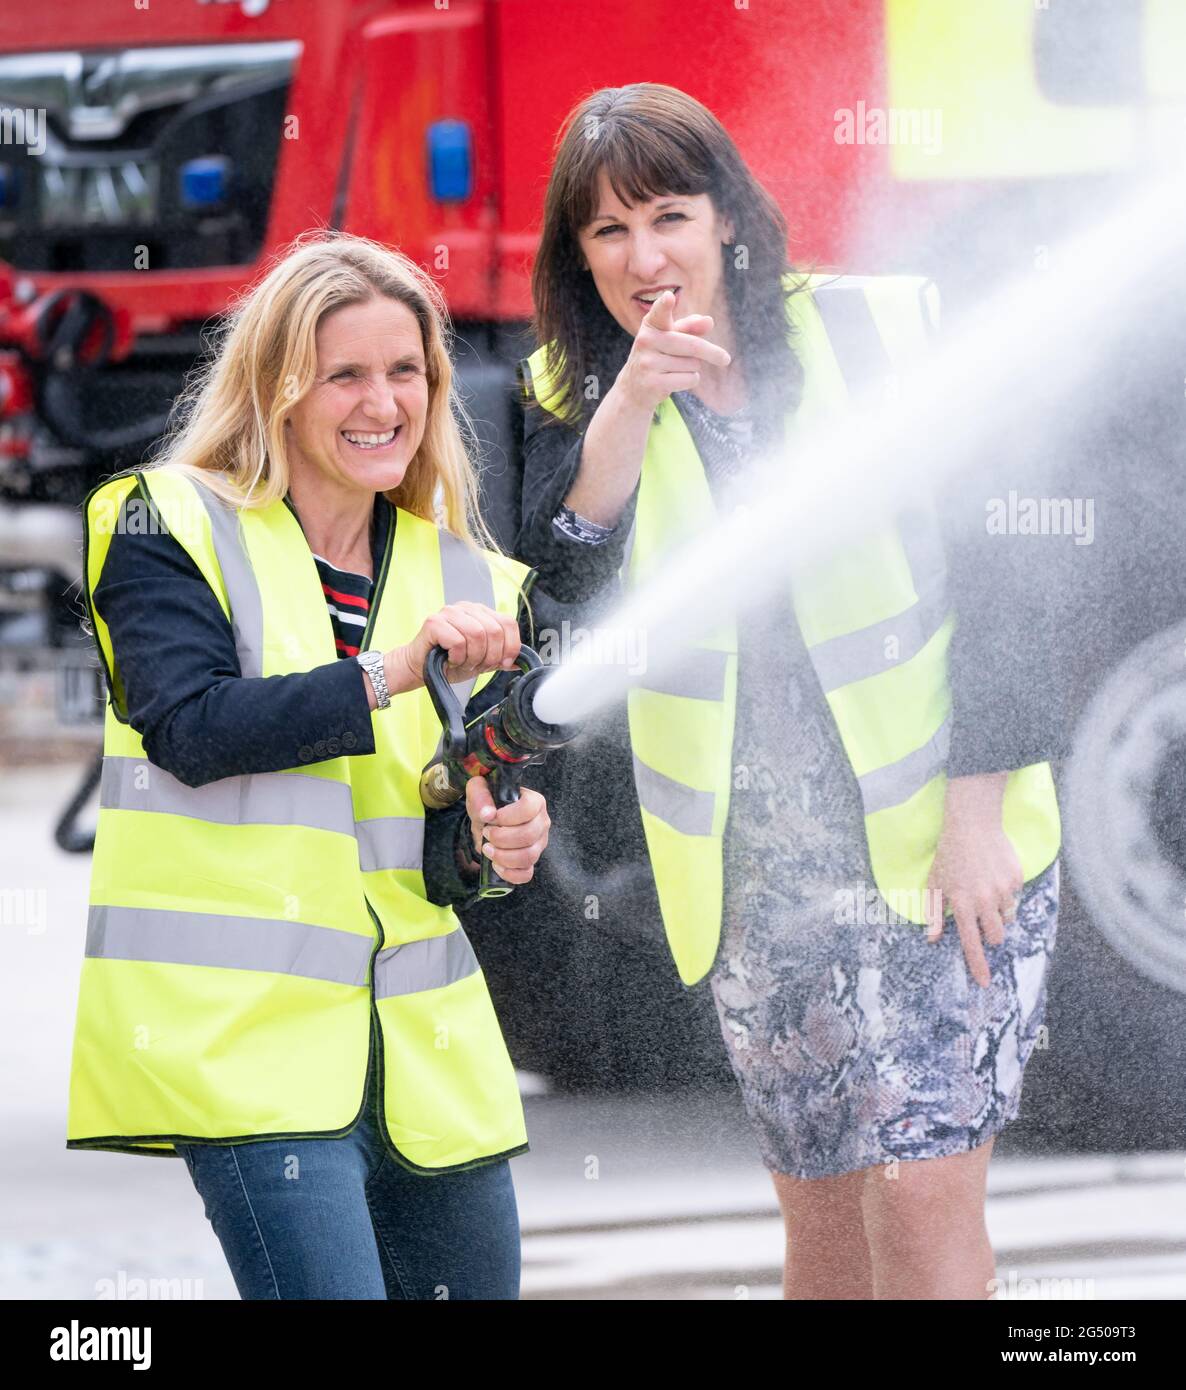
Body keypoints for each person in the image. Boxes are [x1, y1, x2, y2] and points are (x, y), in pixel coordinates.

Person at [515, 83, 1062, 1300]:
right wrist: (633, 402)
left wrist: (976, 813)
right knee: (819, 1223)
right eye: (606, 232)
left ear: (728, 219)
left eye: (667, 214)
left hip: (936, 850)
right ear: (576, 254)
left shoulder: (880, 332)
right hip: (758, 879)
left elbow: (1016, 570)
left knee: (919, 1195)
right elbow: (559, 588)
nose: (643, 256)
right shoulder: (572, 398)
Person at [66, 232, 552, 1301]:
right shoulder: (164, 521)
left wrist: (497, 839)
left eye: (405, 372)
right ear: (277, 389)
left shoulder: (463, 569)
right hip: (249, 1058)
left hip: (425, 1060)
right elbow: (191, 729)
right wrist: (388, 669)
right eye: (345, 374)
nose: (382, 402)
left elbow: (438, 839)